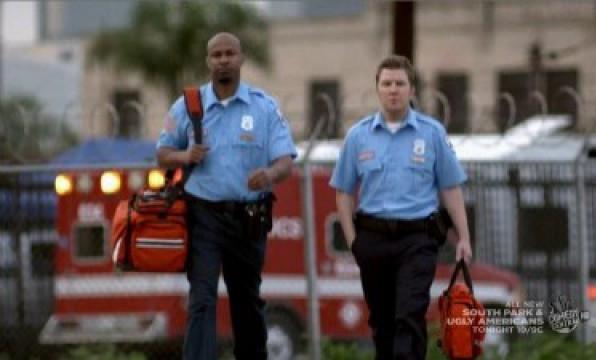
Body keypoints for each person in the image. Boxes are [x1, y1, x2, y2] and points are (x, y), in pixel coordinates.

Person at [156, 32, 296, 360]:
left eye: (229, 54)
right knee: (202, 297)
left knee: (246, 299)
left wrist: (270, 175)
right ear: (208, 61)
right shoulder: (189, 106)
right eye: (216, 55)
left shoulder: (264, 107)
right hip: (203, 214)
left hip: (248, 217)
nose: (223, 60)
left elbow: (286, 160)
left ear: (241, 58)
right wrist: (185, 156)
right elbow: (162, 154)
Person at [330, 55, 472, 360]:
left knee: (409, 315)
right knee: (382, 323)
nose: (393, 89)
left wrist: (464, 237)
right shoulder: (358, 136)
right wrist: (354, 241)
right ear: (378, 89)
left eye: (400, 83)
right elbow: (342, 192)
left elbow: (450, 187)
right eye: (387, 83)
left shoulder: (431, 133)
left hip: (417, 239)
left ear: (411, 90)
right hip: (373, 239)